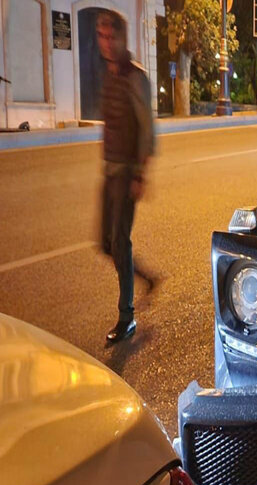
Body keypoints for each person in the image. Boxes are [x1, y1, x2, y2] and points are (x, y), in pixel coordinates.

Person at [96, 11, 156, 343]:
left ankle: (126, 317)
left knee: (120, 241)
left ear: (123, 38)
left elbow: (146, 128)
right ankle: (144, 277)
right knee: (105, 243)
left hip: (127, 174)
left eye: (110, 37)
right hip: (108, 170)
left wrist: (140, 174)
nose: (105, 43)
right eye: (101, 37)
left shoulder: (136, 77)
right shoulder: (108, 75)